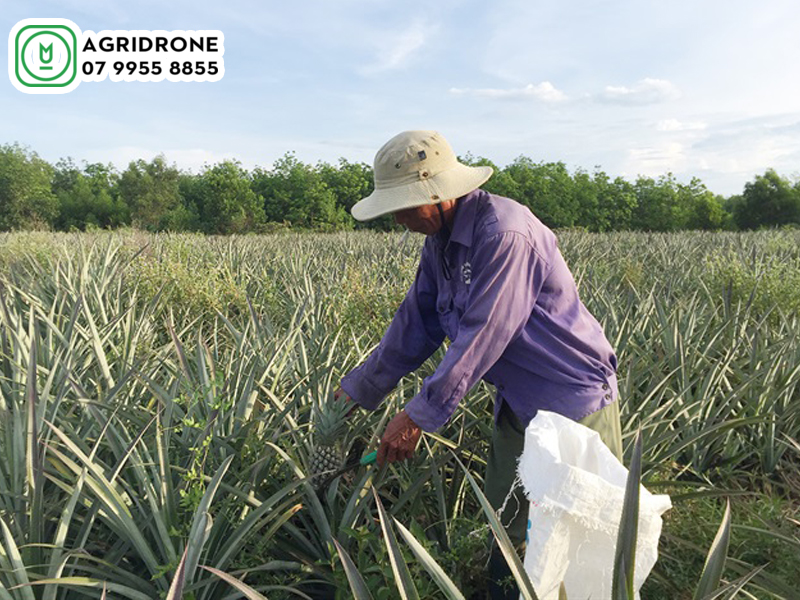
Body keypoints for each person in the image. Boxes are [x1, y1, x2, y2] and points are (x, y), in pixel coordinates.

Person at [335, 130, 623, 599]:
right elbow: (418, 320)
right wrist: (361, 388)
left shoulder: (505, 233)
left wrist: (418, 417)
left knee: (571, 537)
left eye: (406, 206)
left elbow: (485, 333)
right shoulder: (442, 241)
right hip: (518, 400)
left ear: (440, 194)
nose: (400, 219)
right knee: (510, 527)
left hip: (572, 403)